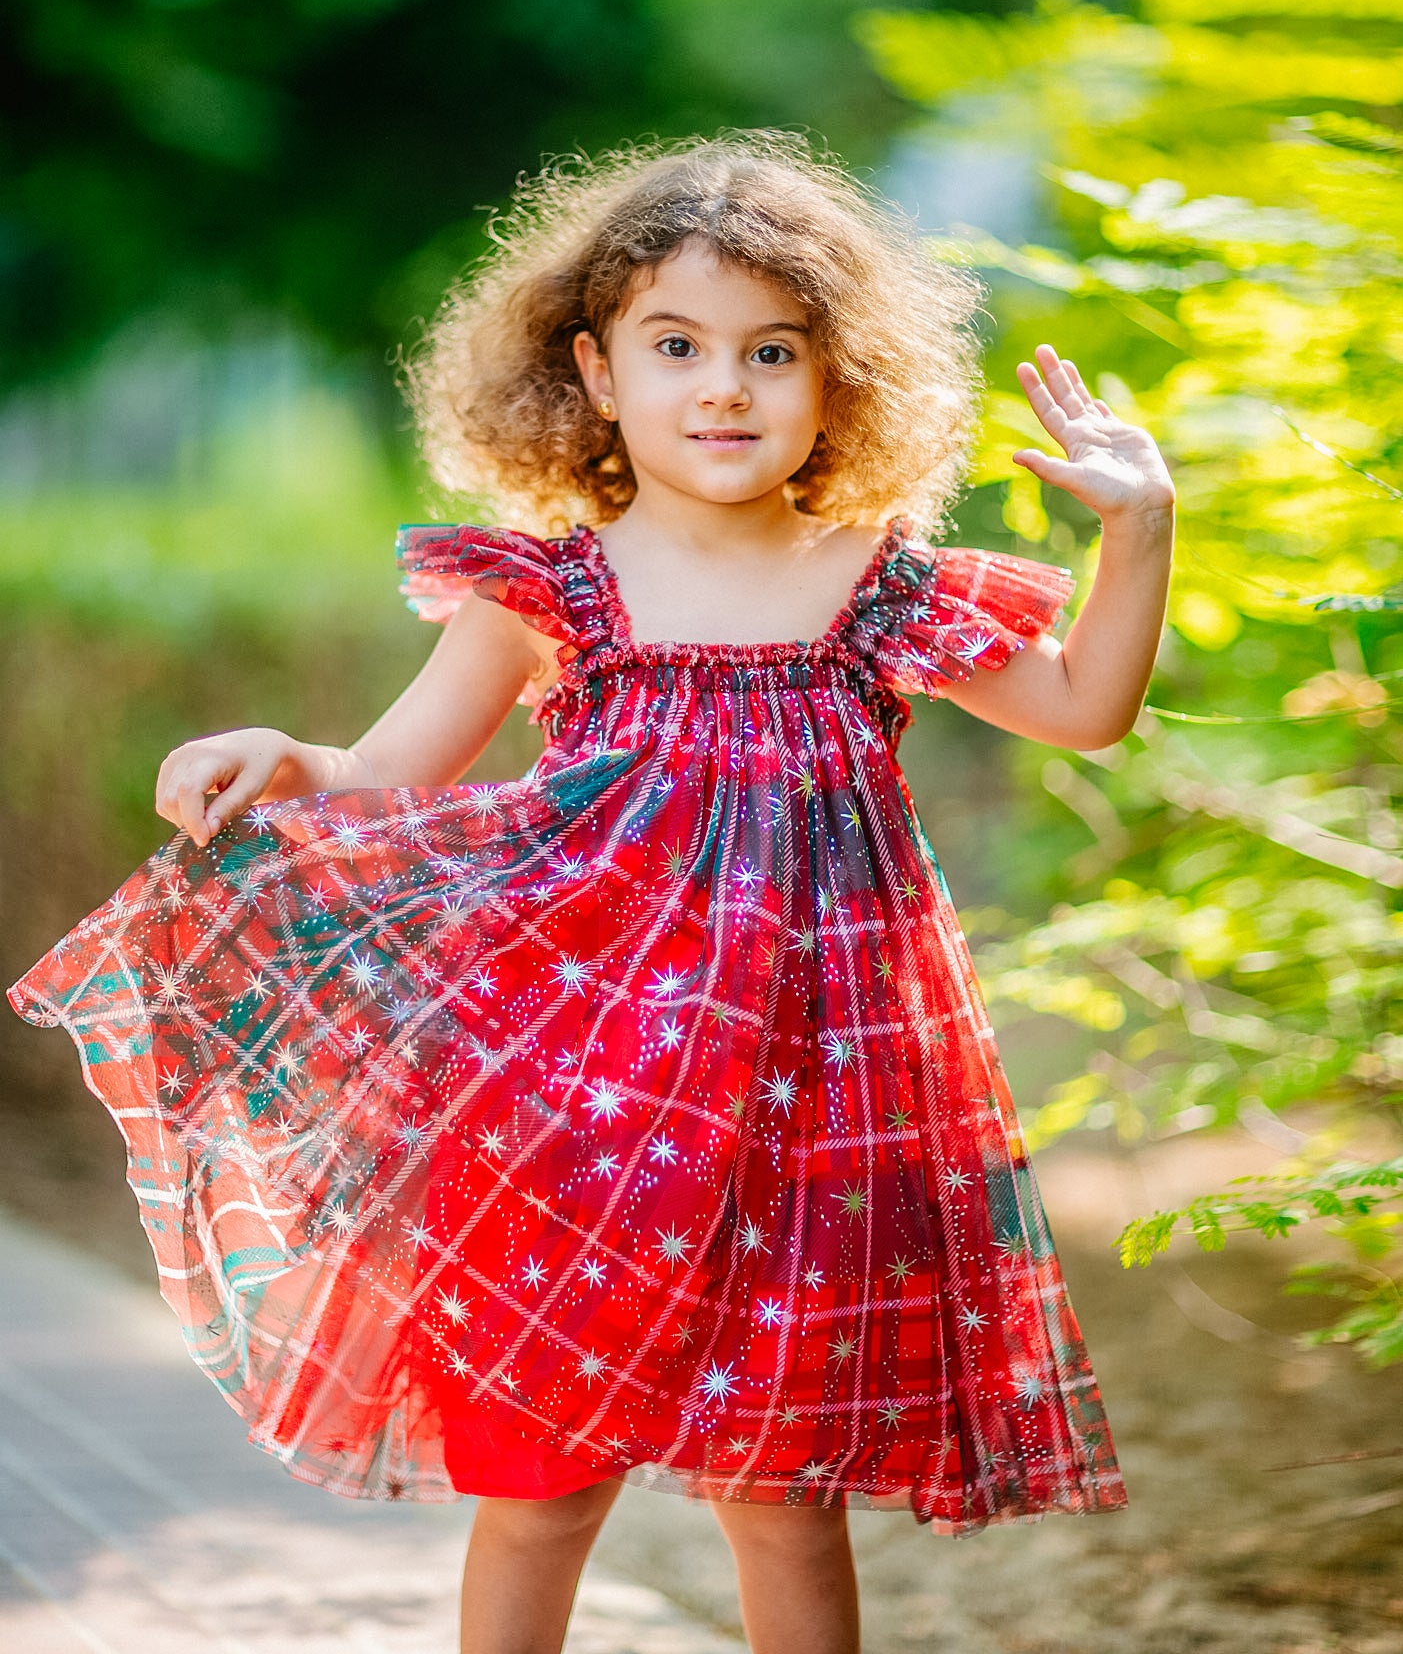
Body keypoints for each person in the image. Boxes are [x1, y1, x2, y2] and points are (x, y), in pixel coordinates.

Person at [9, 134, 1174, 1654]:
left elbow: (1086, 706)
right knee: (541, 1485)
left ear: (840, 380)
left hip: (808, 1107)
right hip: (569, 1104)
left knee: (780, 1498)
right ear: (597, 369)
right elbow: (385, 772)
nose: (726, 389)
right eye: (676, 346)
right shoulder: (548, 591)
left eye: (774, 352)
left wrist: (1137, 527)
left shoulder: (877, 586)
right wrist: (281, 756)